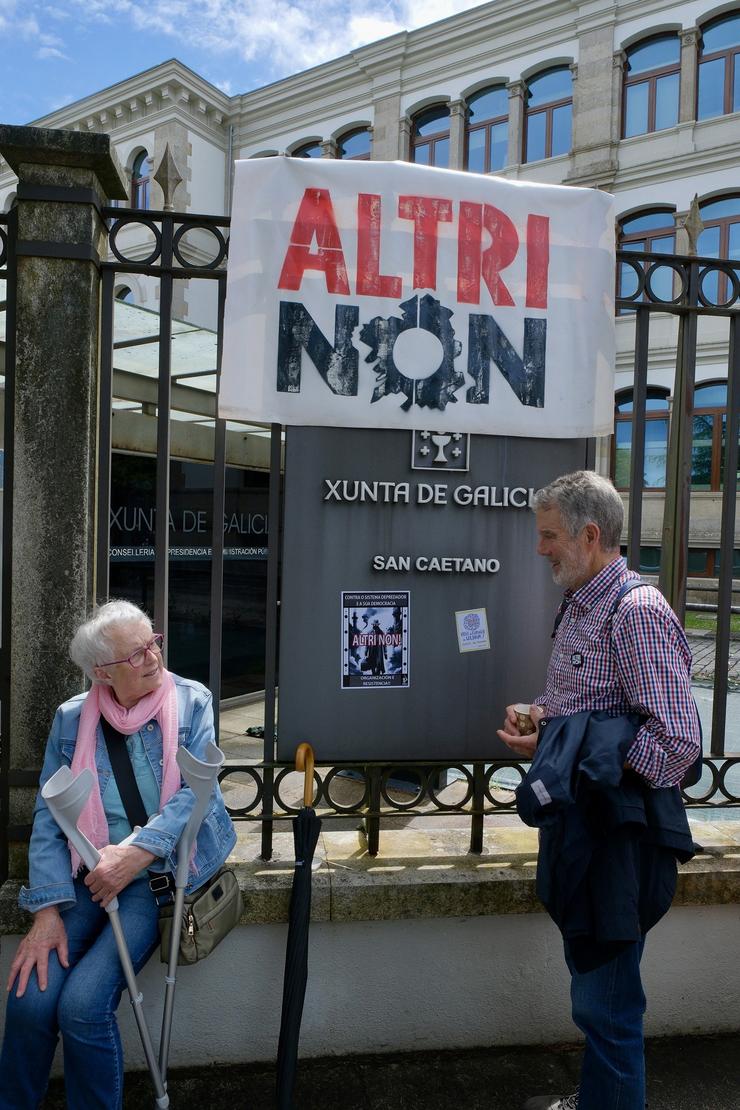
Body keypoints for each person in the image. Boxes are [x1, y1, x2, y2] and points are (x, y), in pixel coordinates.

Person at [496, 471, 701, 1110]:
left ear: (589, 535)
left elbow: (677, 742)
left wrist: (573, 754)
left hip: (617, 843)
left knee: (607, 1006)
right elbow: (598, 711)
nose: (540, 548)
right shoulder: (583, 601)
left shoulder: (635, 612)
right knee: (595, 994)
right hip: (585, 833)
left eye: (550, 535)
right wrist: (548, 735)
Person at [0, 599, 236, 1110]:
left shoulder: (191, 701)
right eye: (136, 653)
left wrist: (138, 851)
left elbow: (198, 794)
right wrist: (45, 911)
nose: (153, 657)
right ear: (102, 672)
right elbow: (50, 815)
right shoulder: (71, 720)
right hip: (87, 873)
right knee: (29, 1001)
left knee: (84, 1006)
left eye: (154, 642)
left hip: (157, 875)